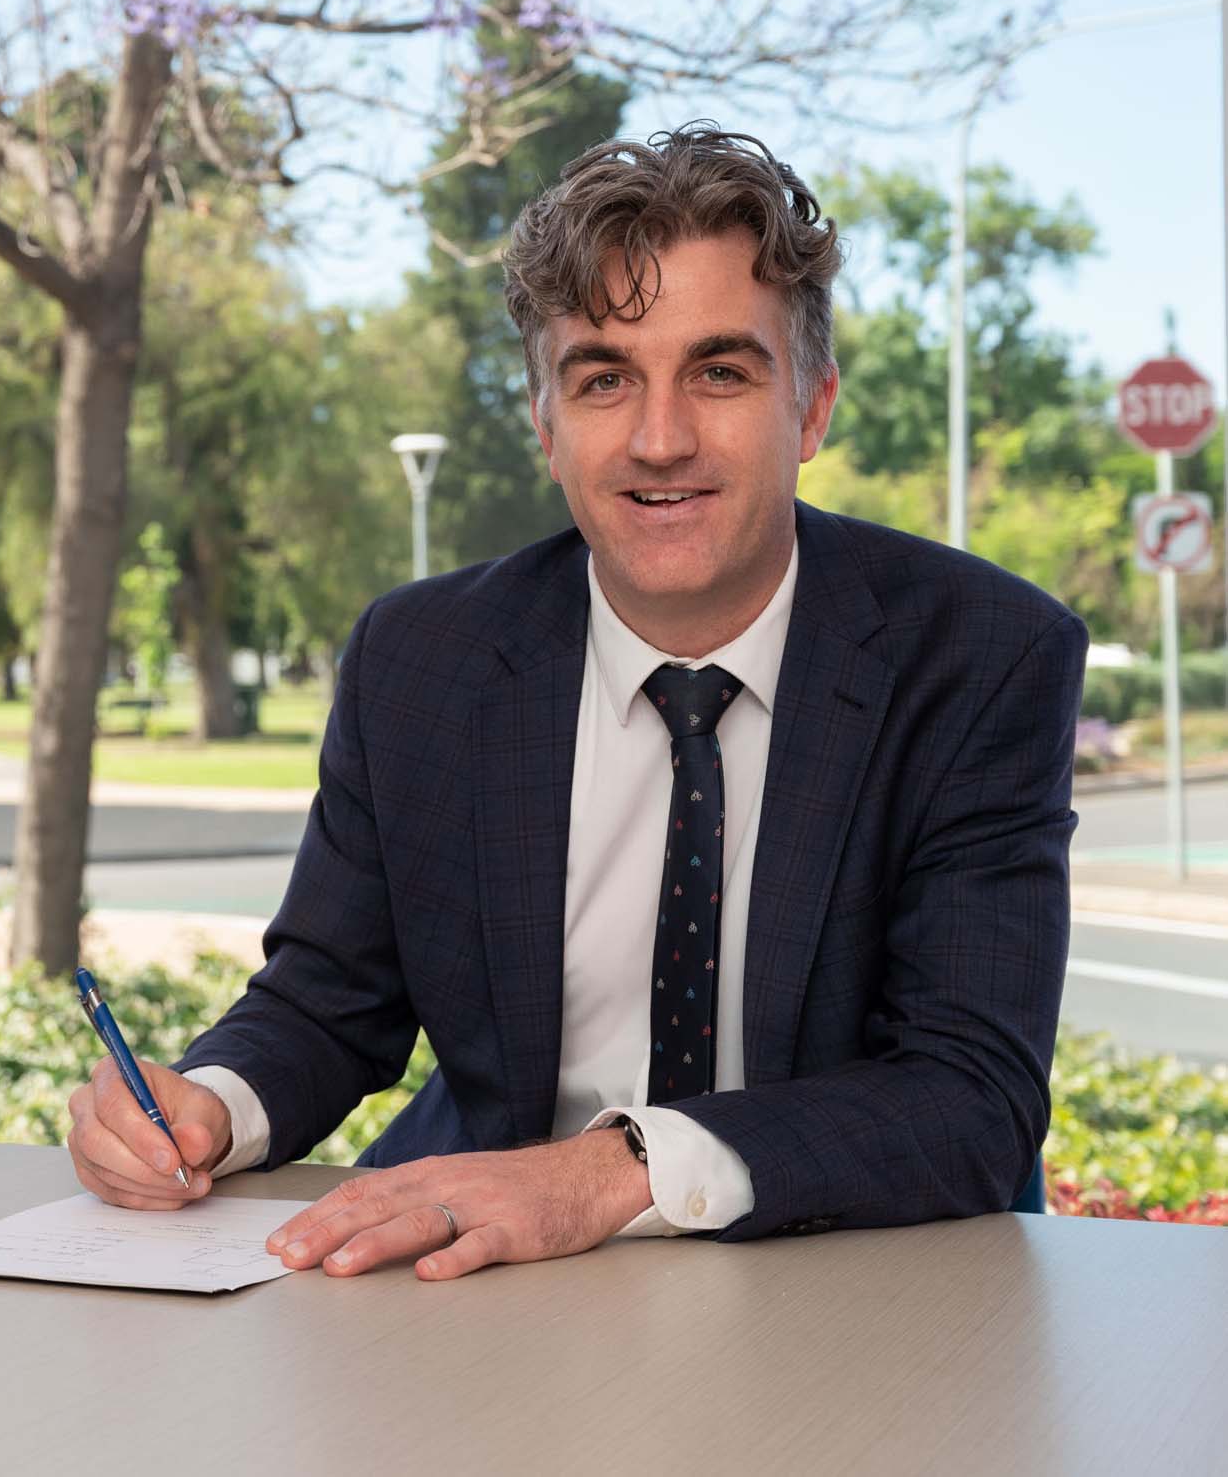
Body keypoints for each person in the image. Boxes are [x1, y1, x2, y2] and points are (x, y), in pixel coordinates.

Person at [67, 123, 1087, 1282]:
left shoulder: (981, 655)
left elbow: (969, 1092)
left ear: (811, 409)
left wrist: (608, 1172)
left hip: (846, 1283)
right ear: (546, 426)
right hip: (492, 1287)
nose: (659, 438)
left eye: (719, 371)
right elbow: (326, 1000)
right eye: (604, 379)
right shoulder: (420, 660)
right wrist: (211, 1102)